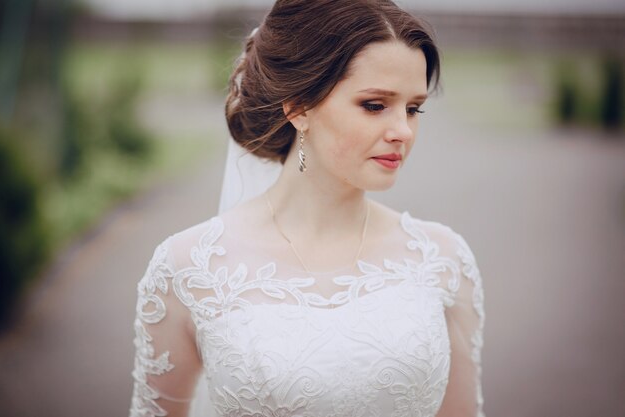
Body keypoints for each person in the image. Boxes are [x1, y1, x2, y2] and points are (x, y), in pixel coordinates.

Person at [129, 1, 485, 416]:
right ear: (298, 107)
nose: (403, 132)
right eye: (374, 105)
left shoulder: (441, 260)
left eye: (413, 108)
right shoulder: (188, 269)